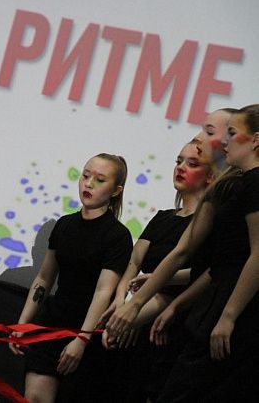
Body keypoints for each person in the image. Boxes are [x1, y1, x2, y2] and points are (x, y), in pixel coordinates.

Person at [106, 105, 259, 401]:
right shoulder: (225, 187)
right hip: (210, 310)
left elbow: (246, 258)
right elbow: (189, 253)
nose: (200, 138)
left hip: (231, 311)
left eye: (213, 132)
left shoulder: (248, 183)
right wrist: (137, 304)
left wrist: (227, 315)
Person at [9, 153, 132, 403]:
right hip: (54, 321)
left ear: (116, 190)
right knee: (34, 396)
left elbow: (103, 292)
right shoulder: (65, 225)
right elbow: (44, 278)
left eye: (99, 180)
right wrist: (23, 323)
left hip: (89, 329)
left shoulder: (117, 235)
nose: (88, 184)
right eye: (85, 176)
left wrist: (82, 339)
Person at [98, 140, 214, 402]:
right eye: (178, 161)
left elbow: (203, 271)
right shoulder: (163, 218)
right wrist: (122, 302)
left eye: (192, 164)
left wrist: (138, 307)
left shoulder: (208, 222)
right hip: (137, 319)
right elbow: (134, 262)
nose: (180, 168)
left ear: (210, 175)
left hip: (172, 325)